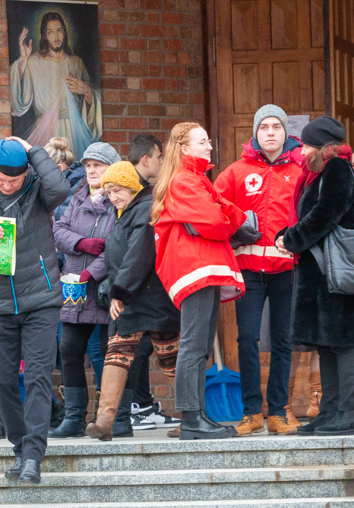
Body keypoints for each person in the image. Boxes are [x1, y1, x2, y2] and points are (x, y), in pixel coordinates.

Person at [0, 137, 70, 484]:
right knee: (3, 382)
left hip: (41, 299)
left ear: (26, 173)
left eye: (13, 181)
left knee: (37, 377)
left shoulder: (38, 190)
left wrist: (34, 150)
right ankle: (20, 446)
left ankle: (34, 455)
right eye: (2, 180)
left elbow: (61, 189)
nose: (7, 186)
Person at [152, 122, 245, 440]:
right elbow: (218, 222)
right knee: (193, 345)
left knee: (200, 344)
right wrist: (226, 214)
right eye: (203, 142)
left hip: (202, 267)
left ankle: (198, 415)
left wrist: (224, 213)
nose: (209, 147)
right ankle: (192, 418)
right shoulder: (186, 181)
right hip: (196, 267)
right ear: (185, 149)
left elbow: (218, 217)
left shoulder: (193, 180)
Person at [214, 104, 301, 436]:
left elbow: (310, 213)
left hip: (286, 269)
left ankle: (278, 412)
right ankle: (251, 412)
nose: (270, 132)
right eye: (263, 127)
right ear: (255, 132)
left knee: (282, 340)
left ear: (285, 132)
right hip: (248, 269)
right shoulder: (235, 172)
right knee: (247, 338)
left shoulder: (299, 172)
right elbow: (216, 209)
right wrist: (234, 230)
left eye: (276, 127)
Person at [275, 116, 354, 436]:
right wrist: (287, 234)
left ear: (320, 144)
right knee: (326, 344)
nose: (300, 148)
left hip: (335, 271)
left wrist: (292, 239)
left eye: (306, 143)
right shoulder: (319, 171)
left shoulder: (336, 168)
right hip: (320, 269)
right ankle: (329, 411)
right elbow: (311, 214)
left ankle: (347, 413)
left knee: (341, 342)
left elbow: (326, 214)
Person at [85, 162, 182, 440]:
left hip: (150, 297)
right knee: (117, 353)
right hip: (134, 297)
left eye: (117, 190)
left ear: (131, 187)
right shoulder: (125, 213)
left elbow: (139, 254)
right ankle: (105, 421)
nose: (113, 196)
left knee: (171, 358)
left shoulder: (145, 209)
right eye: (109, 192)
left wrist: (119, 291)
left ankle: (192, 416)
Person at [50, 142, 120, 438]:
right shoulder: (78, 196)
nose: (91, 170)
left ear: (112, 168)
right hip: (74, 287)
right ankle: (75, 417)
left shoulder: (120, 200)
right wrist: (81, 244)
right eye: (88, 165)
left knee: (108, 353)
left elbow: (119, 244)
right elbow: (57, 231)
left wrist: (91, 271)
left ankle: (107, 419)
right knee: (68, 348)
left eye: (98, 165)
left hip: (104, 288)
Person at [126, 133, 179, 431]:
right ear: (146, 159)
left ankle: (140, 406)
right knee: (140, 347)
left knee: (141, 347)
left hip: (141, 283)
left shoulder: (144, 191)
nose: (161, 162)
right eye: (159, 157)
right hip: (138, 283)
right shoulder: (134, 193)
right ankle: (136, 407)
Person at [9, 12, 101, 154]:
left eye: (60, 31)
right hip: (44, 130)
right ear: (44, 36)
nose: (56, 37)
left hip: (73, 132)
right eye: (50, 32)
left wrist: (87, 91)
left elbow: (93, 103)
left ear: (65, 31)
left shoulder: (76, 63)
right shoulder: (34, 62)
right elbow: (19, 99)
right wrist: (23, 60)